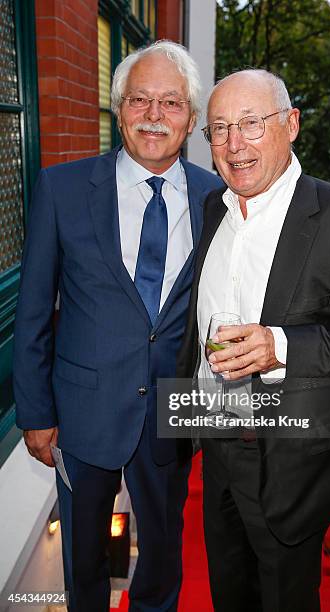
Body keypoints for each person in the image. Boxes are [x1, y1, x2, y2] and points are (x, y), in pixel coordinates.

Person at [176, 69, 330, 612]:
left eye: (252, 124)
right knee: (228, 592)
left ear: (292, 125)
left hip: (294, 456)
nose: (235, 145)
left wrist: (282, 346)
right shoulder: (214, 208)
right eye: (219, 129)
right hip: (217, 438)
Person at [13, 40, 222, 612]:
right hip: (82, 412)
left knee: (161, 557)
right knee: (83, 562)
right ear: (117, 108)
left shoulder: (219, 200)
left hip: (173, 415)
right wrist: (35, 412)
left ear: (192, 118)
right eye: (140, 100)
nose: (155, 116)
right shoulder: (62, 188)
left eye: (172, 103)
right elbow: (32, 311)